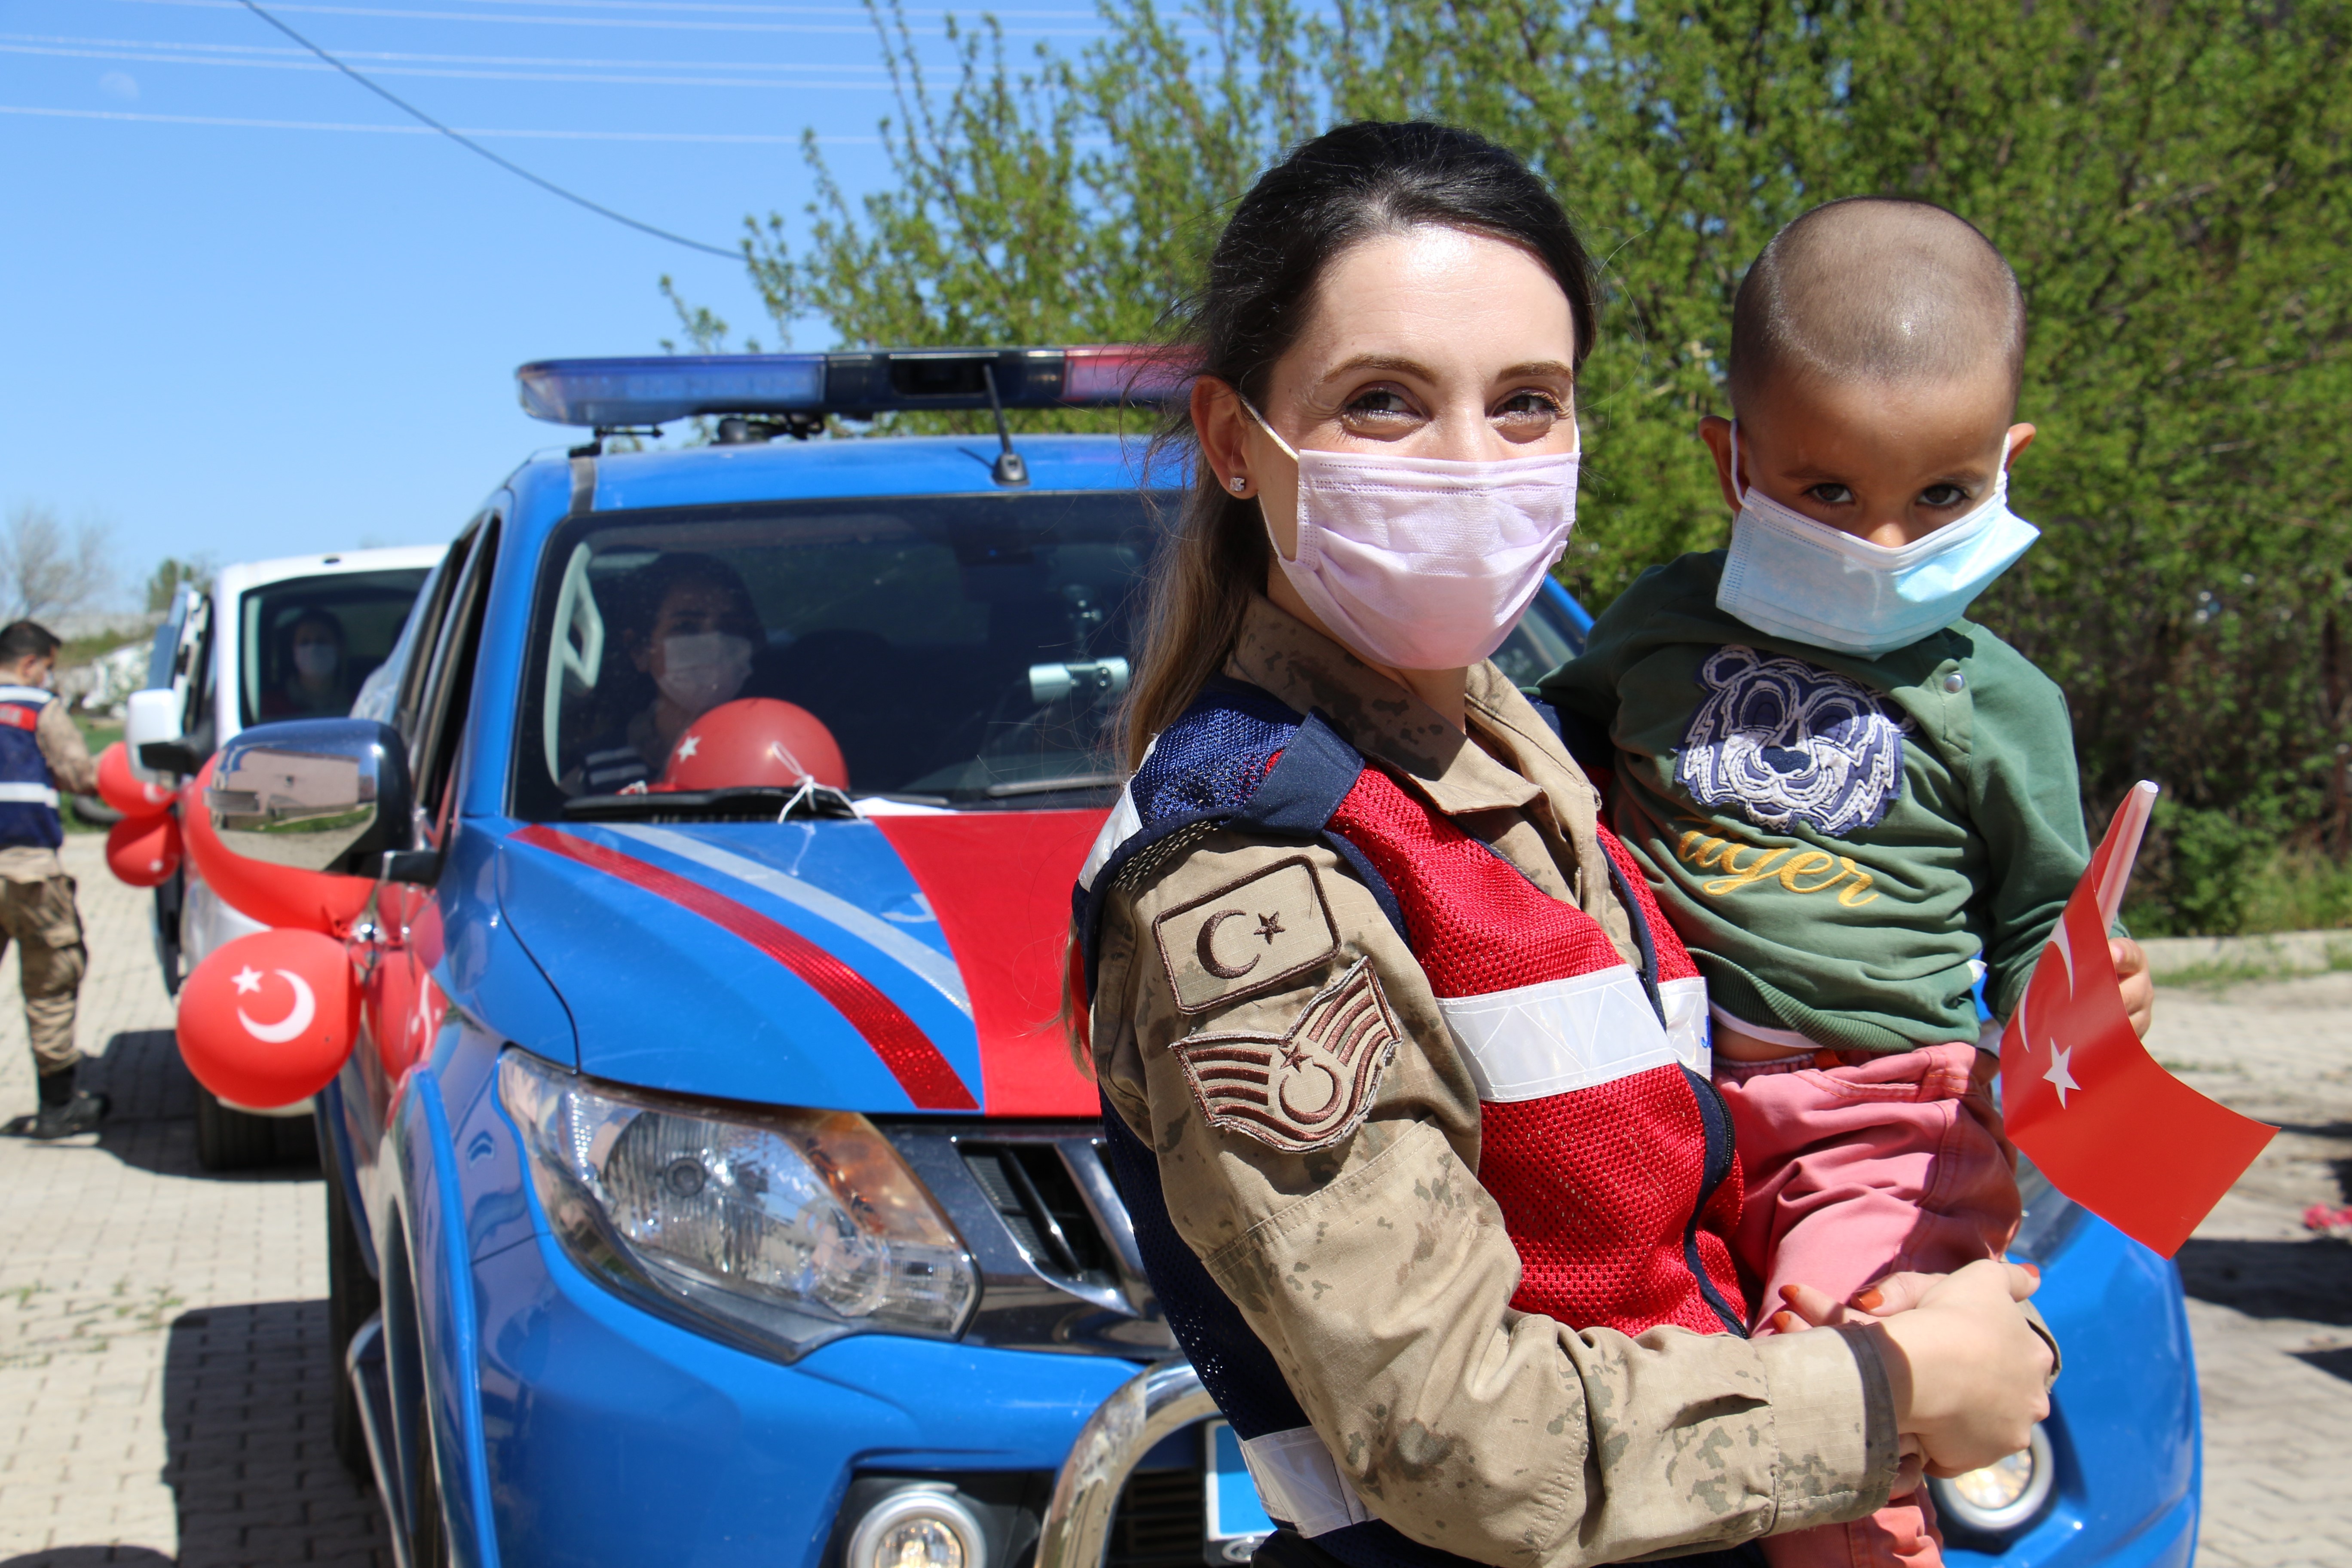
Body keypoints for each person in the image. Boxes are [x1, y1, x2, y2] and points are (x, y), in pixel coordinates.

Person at [1071, 123, 2056, 1568]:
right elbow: (1455, 1432)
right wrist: (1900, 1387)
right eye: (1386, 400)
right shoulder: (1252, 873)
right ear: (1235, 441)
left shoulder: (1530, 756)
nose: (1473, 463)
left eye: (1527, 401)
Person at [1539, 198, 2153, 1568]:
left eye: (1939, 495)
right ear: (1732, 460)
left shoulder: (1999, 704)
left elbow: (2049, 924)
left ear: (2007, 466)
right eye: (1828, 493)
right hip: (1659, 1095)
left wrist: (2101, 1001)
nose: (1882, 541)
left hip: (1883, 1123)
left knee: (1844, 1414)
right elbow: (1549, 760)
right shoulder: (1660, 622)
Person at [0, 621, 103, 1139]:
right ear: (30, 664)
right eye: (49, 669)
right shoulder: (38, 708)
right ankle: (58, 1107)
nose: (49, 680)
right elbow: (82, 774)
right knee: (51, 980)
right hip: (29, 872)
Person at [571, 552, 764, 793]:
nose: (714, 643)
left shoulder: (777, 750)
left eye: (730, 628)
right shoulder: (597, 768)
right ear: (641, 650)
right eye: (686, 627)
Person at [262, 608, 351, 718]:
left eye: (322, 641)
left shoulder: (360, 702)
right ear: (293, 651)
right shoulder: (270, 707)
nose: (313, 649)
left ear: (340, 648)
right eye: (305, 642)